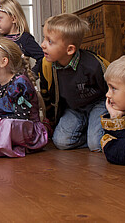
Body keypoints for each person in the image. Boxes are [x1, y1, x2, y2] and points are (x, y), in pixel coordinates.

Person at [39, 13, 109, 152]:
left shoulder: (94, 65)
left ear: (70, 49)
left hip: (98, 104)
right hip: (74, 107)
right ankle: (89, 132)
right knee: (61, 142)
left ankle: (95, 135)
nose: (42, 45)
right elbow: (47, 94)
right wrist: (51, 121)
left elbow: (115, 88)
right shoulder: (47, 65)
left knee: (95, 145)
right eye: (44, 39)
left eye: (50, 41)